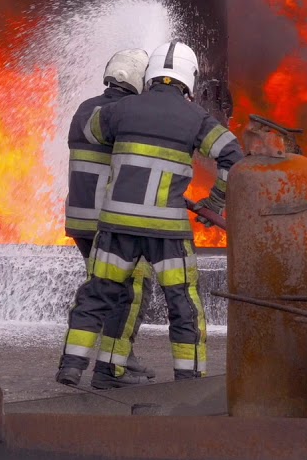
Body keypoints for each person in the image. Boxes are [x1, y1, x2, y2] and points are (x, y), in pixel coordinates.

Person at [56, 40, 243, 387]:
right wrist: (215, 202)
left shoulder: (123, 109)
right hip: (166, 231)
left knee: (97, 293)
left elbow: (92, 132)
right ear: (190, 78)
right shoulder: (196, 118)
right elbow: (233, 154)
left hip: (117, 225)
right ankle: (190, 379)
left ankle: (71, 366)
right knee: (183, 302)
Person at [57, 49, 156, 389]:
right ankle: (113, 368)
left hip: (81, 220)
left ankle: (104, 359)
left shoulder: (87, 107)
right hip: (107, 222)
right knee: (130, 289)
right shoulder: (123, 114)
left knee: (104, 289)